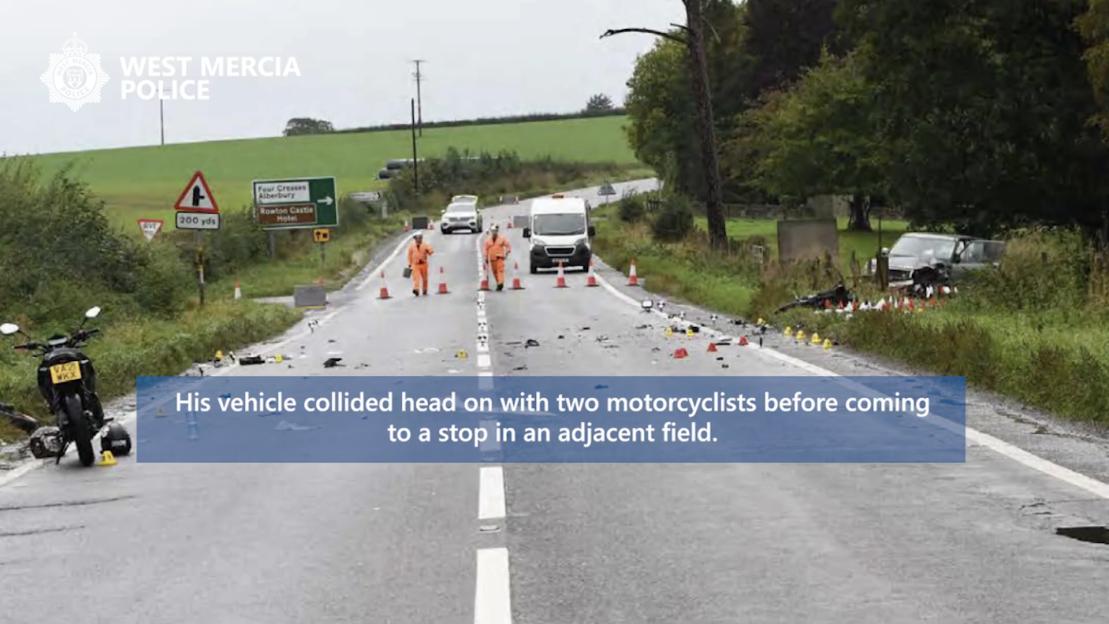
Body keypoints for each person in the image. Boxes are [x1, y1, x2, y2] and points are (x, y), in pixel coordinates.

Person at [483, 225, 511, 291]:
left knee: (500, 271)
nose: (494, 232)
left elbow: (508, 245)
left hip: (499, 258)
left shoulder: (501, 239)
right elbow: (485, 249)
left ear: (497, 231)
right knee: (494, 272)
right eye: (493, 231)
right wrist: (486, 257)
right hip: (492, 259)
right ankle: (498, 283)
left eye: (495, 231)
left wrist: (507, 252)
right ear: (491, 232)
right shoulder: (488, 240)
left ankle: (500, 283)